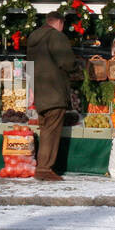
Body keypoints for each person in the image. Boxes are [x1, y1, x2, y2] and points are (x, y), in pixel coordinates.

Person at [27, 10, 79, 182]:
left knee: (45, 131)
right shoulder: (56, 37)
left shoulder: (33, 38)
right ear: (60, 23)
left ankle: (42, 166)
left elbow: (30, 67)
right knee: (51, 132)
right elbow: (67, 62)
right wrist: (77, 68)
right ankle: (44, 169)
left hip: (40, 92)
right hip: (55, 92)